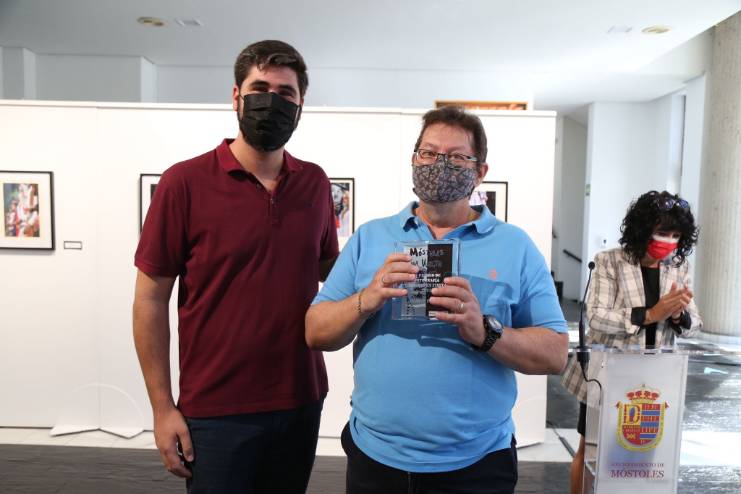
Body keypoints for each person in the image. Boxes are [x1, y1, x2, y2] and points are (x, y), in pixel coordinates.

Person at [306, 106, 569, 493]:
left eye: (457, 157)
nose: (439, 164)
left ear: (480, 171)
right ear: (414, 160)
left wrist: (486, 332)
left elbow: (555, 353)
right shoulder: (370, 237)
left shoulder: (515, 246)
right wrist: (367, 299)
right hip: (375, 458)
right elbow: (315, 332)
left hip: (477, 464)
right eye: (429, 153)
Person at [132, 40, 339, 494]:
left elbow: (332, 269)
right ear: (236, 97)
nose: (272, 101)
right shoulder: (184, 182)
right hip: (216, 409)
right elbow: (149, 299)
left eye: (285, 93)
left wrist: (397, 256)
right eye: (260, 89)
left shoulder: (315, 182)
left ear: (301, 105)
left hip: (301, 399)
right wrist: (162, 408)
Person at [560, 190, 702, 494]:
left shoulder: (679, 267)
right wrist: (651, 314)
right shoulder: (610, 261)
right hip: (607, 373)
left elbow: (695, 324)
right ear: (643, 228)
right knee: (592, 450)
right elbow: (597, 317)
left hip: (656, 380)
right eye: (662, 232)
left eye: (676, 235)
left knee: (644, 452)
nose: (669, 241)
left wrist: (678, 316)